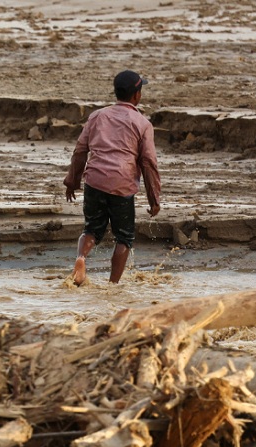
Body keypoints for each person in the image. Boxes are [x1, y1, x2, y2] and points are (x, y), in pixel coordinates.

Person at [63, 70, 161, 285]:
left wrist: (72, 181)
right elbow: (148, 163)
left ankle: (81, 259)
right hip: (122, 185)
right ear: (137, 95)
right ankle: (112, 286)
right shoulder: (142, 123)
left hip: (94, 181)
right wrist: (154, 199)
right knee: (124, 238)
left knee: (91, 230)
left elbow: (80, 151)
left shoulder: (97, 116)